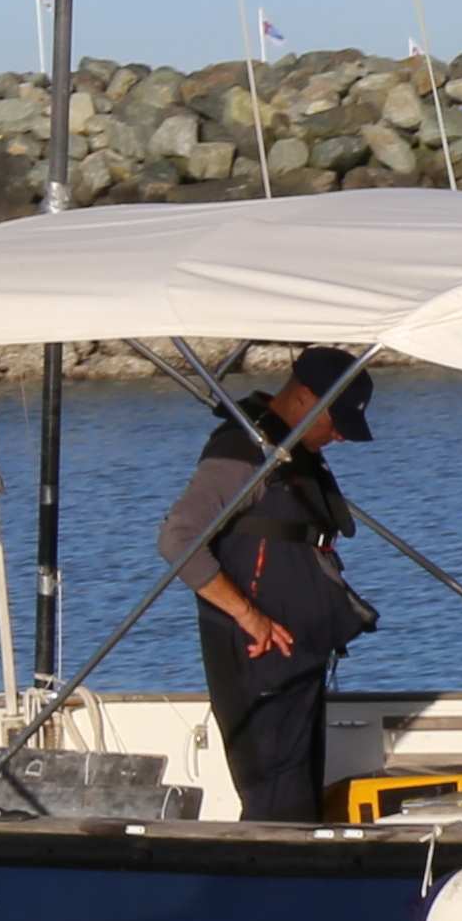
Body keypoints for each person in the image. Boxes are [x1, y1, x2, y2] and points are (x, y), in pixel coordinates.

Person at [156, 345, 378, 821]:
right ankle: (270, 888)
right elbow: (178, 540)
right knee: (277, 804)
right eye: (336, 421)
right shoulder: (241, 452)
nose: (339, 435)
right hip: (259, 666)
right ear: (303, 397)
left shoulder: (289, 450)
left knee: (298, 801)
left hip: (296, 661)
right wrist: (248, 616)